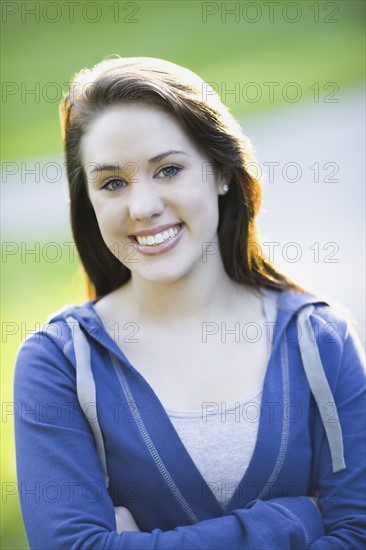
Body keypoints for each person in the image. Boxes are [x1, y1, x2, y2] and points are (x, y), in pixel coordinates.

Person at [14, 57, 365, 549]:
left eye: (169, 169)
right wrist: (293, 522)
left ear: (222, 171)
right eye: (113, 182)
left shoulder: (320, 341)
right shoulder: (59, 363)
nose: (142, 207)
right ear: (89, 201)